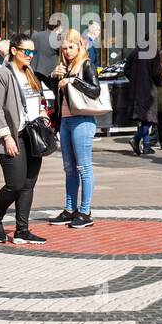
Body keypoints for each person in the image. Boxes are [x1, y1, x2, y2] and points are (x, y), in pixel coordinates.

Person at [0, 33, 49, 245]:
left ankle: (22, 229)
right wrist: (6, 137)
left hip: (32, 135)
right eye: (27, 51)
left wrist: (42, 113)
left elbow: (38, 99)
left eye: (33, 52)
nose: (31, 55)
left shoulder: (29, 72)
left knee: (29, 184)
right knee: (14, 184)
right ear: (14, 50)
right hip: (12, 136)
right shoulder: (2, 74)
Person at [47, 28, 101, 229]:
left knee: (83, 167)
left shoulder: (85, 64)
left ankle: (85, 212)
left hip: (83, 121)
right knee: (69, 168)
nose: (68, 51)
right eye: (65, 48)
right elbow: (58, 97)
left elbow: (95, 90)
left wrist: (73, 80)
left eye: (72, 47)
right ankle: (70, 209)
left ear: (80, 46)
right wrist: (55, 78)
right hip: (67, 121)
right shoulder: (64, 67)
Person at [124, 44, 162, 155]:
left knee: (145, 119)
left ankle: (146, 146)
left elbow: (126, 69)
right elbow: (157, 72)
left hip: (136, 89)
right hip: (148, 89)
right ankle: (136, 139)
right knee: (150, 119)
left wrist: (134, 79)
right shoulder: (153, 52)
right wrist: (158, 82)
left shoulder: (134, 52)